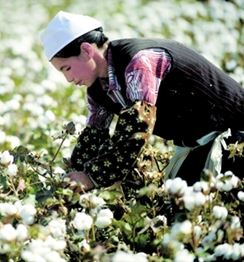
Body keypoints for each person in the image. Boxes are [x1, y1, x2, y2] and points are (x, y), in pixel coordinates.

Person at [40, 11, 244, 192]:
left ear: (86, 50)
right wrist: (68, 176)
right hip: (197, 142)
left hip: (235, 133)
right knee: (183, 213)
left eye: (66, 68)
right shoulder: (97, 89)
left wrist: (92, 177)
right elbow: (94, 135)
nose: (68, 79)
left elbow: (137, 125)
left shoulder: (140, 61)